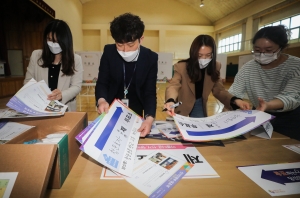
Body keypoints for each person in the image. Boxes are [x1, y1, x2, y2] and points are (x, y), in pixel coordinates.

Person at [228, 25, 300, 140]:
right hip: (260, 114)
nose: (262, 54)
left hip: (290, 118)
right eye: (257, 50)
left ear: (282, 48)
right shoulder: (248, 68)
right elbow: (233, 93)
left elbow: (292, 96)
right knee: (258, 148)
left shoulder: (295, 66)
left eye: (268, 51)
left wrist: (268, 105)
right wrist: (232, 104)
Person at [95, 13, 158, 137]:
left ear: (141, 38)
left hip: (136, 110)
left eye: (130, 45)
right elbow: (102, 82)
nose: (125, 50)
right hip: (111, 109)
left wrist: (149, 119)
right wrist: (101, 100)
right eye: (119, 45)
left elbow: (149, 92)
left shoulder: (150, 58)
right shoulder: (109, 52)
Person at [164, 34, 250, 117]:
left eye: (208, 55)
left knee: (199, 128)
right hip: (181, 102)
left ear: (213, 54)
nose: (204, 59)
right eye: (199, 55)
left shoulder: (215, 66)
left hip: (199, 102)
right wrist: (170, 100)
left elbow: (219, 90)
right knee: (177, 128)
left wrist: (235, 100)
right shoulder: (181, 66)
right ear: (193, 53)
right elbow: (174, 85)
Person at [24, 19, 83, 112]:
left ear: (65, 41)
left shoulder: (76, 60)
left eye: (57, 41)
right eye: (50, 40)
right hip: (40, 108)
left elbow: (76, 86)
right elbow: (28, 82)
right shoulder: (36, 56)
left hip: (65, 110)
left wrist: (62, 95)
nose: (53, 44)